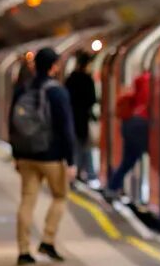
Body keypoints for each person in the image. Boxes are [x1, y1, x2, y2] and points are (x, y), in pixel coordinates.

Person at [9, 46, 76, 266]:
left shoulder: (22, 89)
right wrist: (71, 161)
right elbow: (66, 128)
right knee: (60, 197)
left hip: (26, 156)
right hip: (51, 156)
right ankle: (47, 240)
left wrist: (16, 154)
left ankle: (23, 251)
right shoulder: (57, 92)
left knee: (27, 201)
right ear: (54, 66)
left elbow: (12, 124)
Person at [106, 67, 153, 198]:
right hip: (140, 125)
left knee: (128, 161)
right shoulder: (150, 80)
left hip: (130, 124)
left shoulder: (140, 79)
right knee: (155, 159)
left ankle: (112, 187)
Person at [64, 54, 98, 181]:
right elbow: (92, 99)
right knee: (84, 146)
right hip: (83, 119)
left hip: (71, 118)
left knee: (75, 146)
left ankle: (75, 171)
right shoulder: (87, 80)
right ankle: (87, 173)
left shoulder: (70, 79)